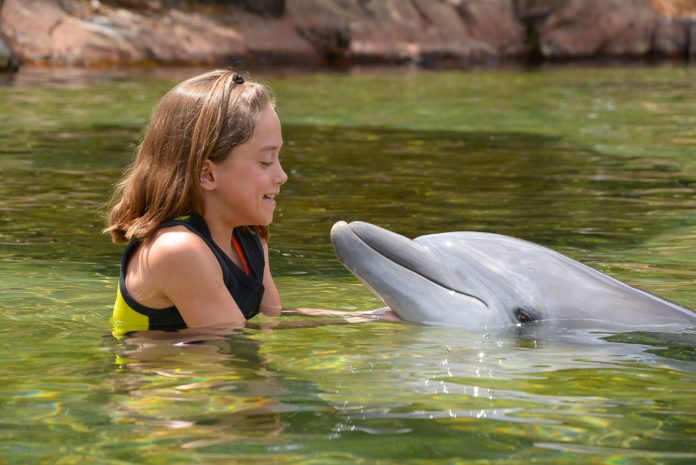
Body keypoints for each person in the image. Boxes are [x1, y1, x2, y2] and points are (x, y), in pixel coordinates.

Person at [106, 69, 287, 335]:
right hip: (164, 377)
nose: (282, 176)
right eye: (265, 162)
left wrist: (363, 316)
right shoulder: (177, 250)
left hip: (216, 372)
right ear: (208, 174)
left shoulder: (248, 237)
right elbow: (234, 338)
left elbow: (273, 322)